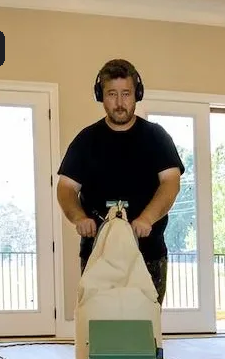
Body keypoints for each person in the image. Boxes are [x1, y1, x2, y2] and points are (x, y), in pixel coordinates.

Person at [55, 58, 185, 305]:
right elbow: (66, 188)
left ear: (137, 95)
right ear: (101, 96)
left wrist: (147, 218)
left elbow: (170, 183)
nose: (119, 102)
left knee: (144, 323)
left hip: (148, 253)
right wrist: (79, 218)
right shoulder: (86, 140)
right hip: (98, 254)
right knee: (99, 321)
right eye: (111, 94)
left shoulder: (157, 137)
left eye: (126, 94)